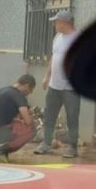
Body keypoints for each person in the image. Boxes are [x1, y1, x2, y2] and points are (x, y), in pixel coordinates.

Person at [34, 9, 81, 158]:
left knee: (72, 117)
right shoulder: (58, 37)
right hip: (54, 85)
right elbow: (54, 58)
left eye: (56, 21)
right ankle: (46, 143)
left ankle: (72, 146)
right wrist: (46, 77)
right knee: (49, 115)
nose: (54, 24)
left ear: (64, 22)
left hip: (71, 88)